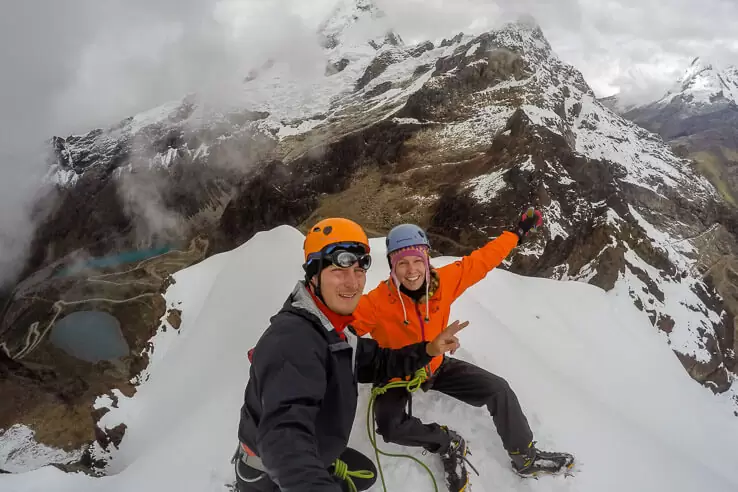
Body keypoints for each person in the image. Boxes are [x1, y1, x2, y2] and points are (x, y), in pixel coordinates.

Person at [234, 217, 469, 492]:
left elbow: (380, 362)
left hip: (316, 452)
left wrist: (429, 349)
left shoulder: (334, 333)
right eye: (338, 270)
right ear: (313, 274)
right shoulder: (294, 340)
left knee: (365, 475)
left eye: (359, 271)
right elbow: (285, 439)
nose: (353, 283)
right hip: (271, 480)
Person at [352, 208, 573, 491]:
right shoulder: (376, 303)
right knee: (390, 427)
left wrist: (518, 232)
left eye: (417, 261)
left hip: (436, 364)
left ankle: (525, 457)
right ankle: (446, 443)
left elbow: (483, 260)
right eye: (402, 263)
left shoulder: (445, 282)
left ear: (427, 260)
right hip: (398, 370)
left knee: (498, 389)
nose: (411, 270)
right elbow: (341, 331)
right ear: (392, 266)